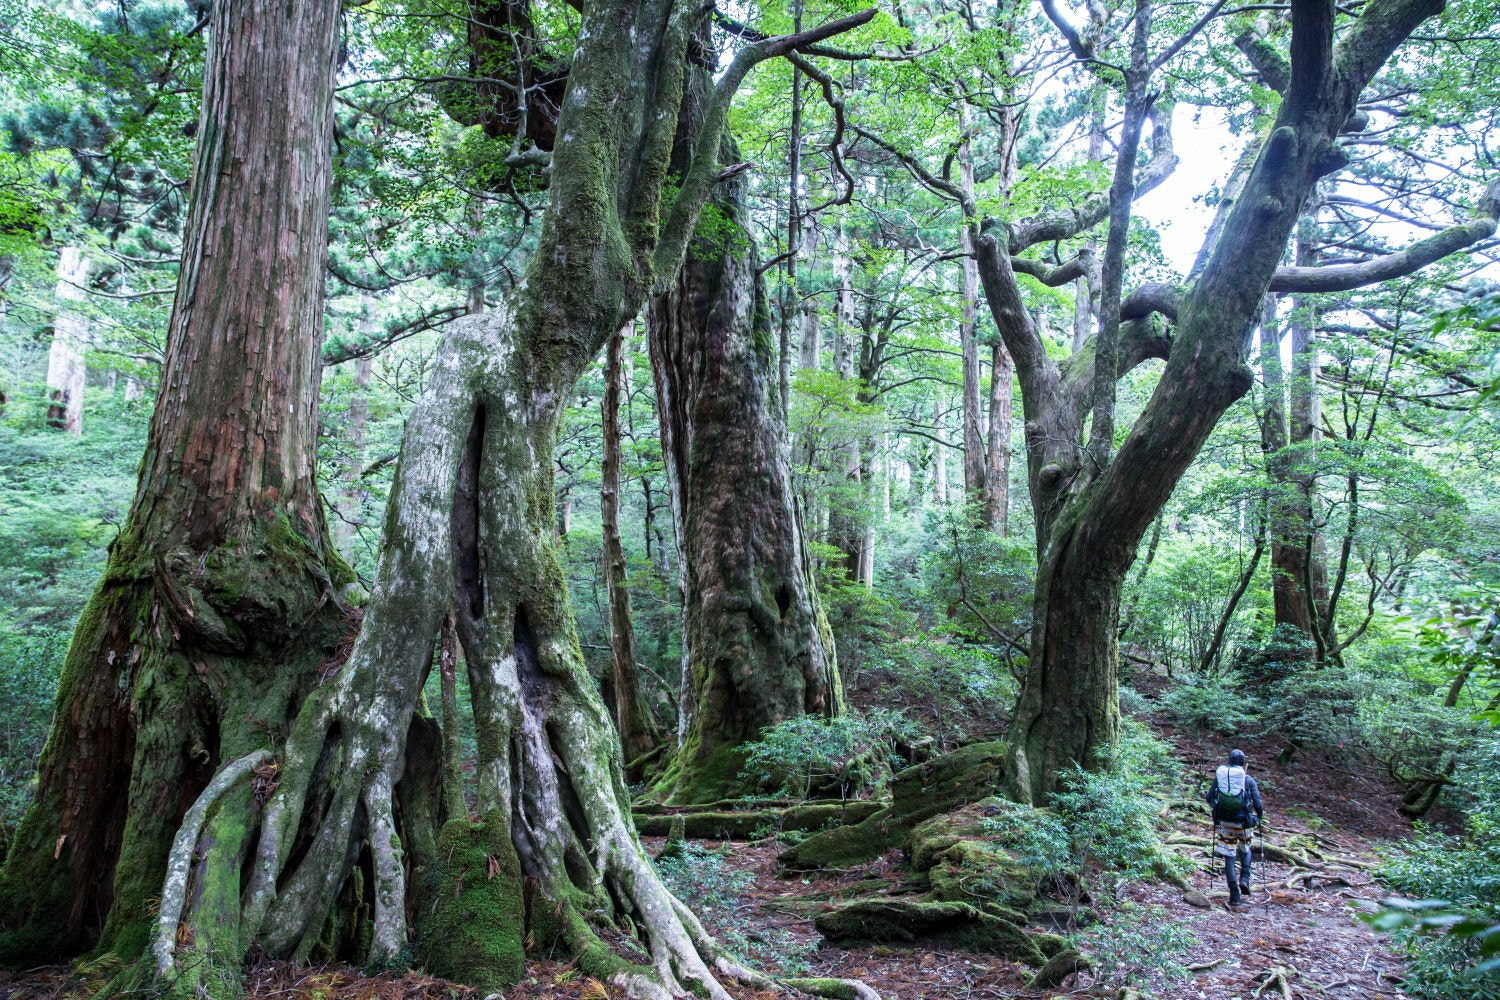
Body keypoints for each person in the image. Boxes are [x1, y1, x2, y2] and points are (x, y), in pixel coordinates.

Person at [1206, 748, 1264, 908]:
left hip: (1225, 823)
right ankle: (1244, 879)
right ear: (1243, 763)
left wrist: (1217, 808)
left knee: (1229, 856)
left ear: (1229, 761)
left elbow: (1209, 798)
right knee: (1245, 849)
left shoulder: (1221, 778)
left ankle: (1234, 896)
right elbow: (1258, 804)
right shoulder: (1248, 780)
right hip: (1244, 824)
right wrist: (1259, 816)